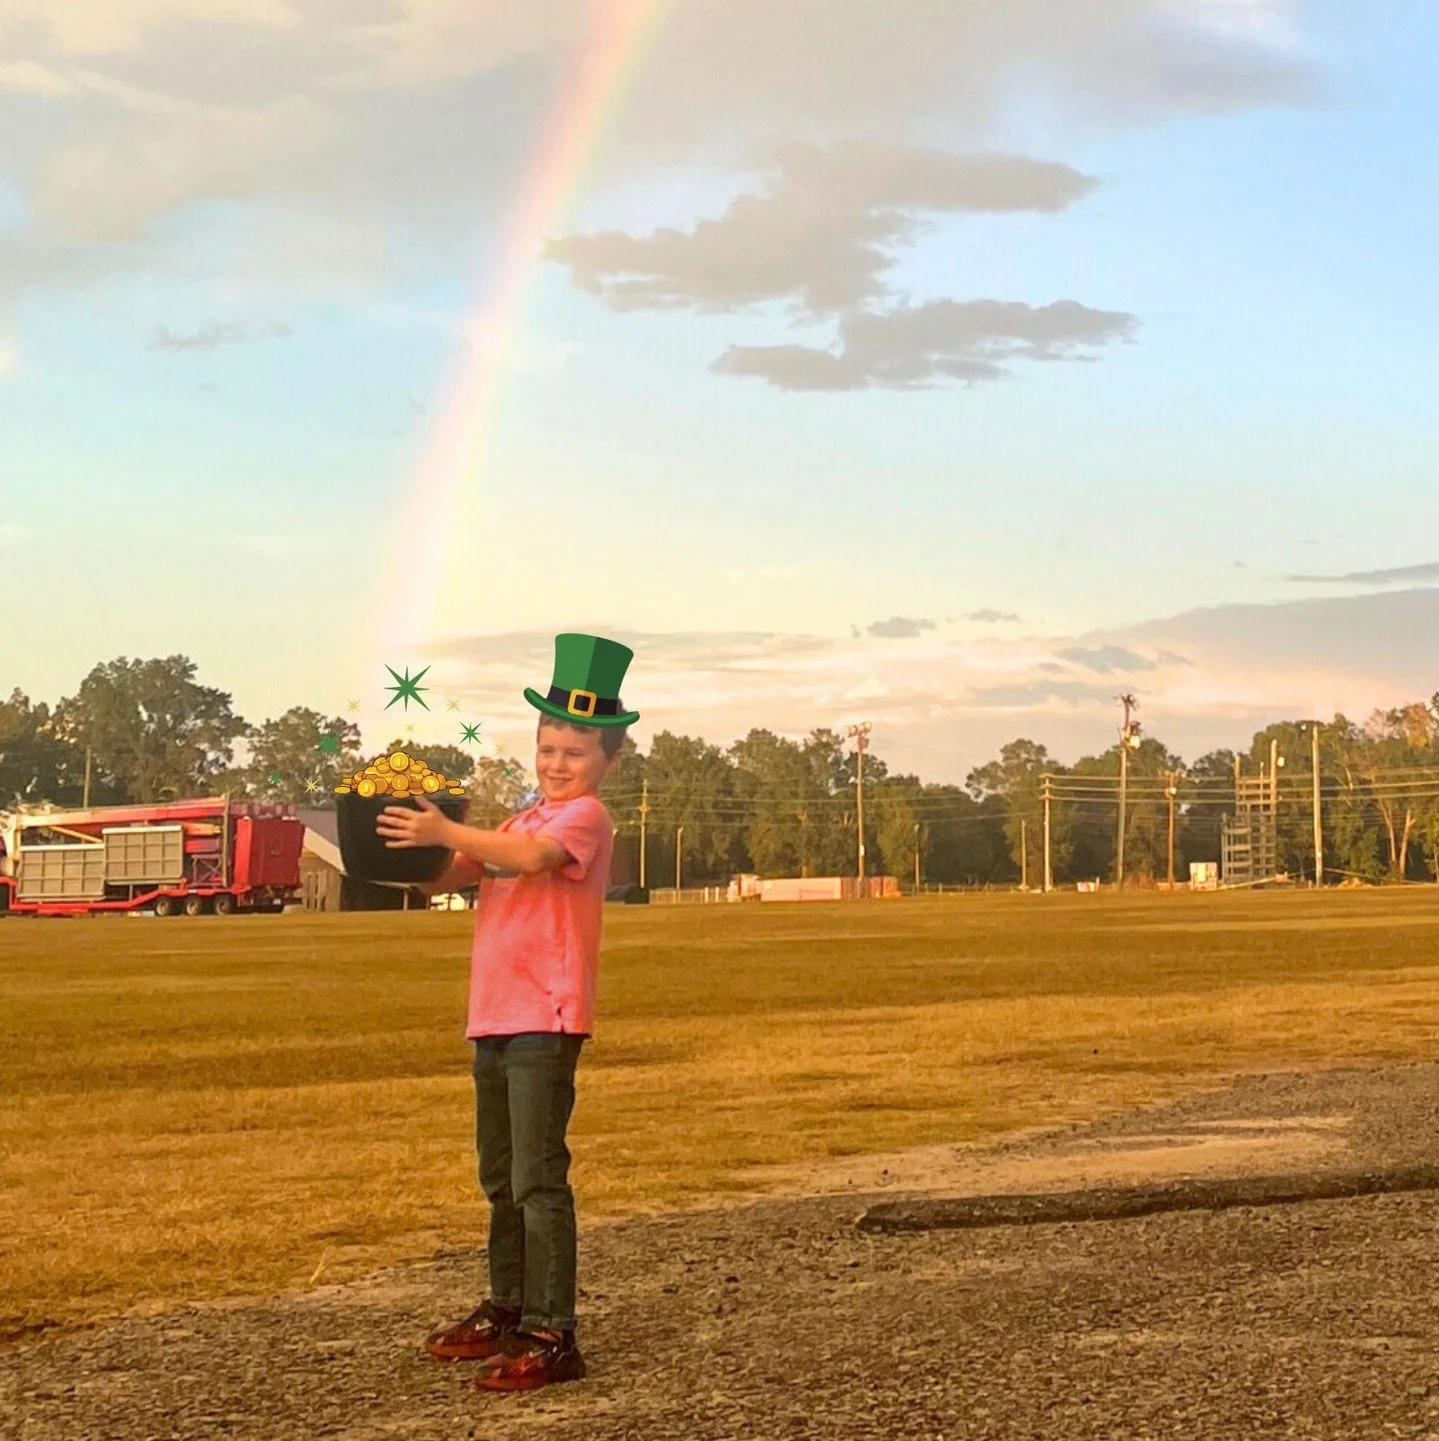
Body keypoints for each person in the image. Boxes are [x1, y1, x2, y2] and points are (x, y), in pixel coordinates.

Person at [375, 633, 639, 1394]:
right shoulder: (522, 819)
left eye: (575, 752)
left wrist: (451, 833)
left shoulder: (583, 818)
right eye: (548, 747)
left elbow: (528, 863)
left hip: (545, 1018)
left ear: (608, 761)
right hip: (494, 1014)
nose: (557, 763)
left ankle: (554, 1330)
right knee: (499, 1174)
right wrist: (406, 844)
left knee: (537, 1177)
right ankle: (509, 1305)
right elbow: (460, 870)